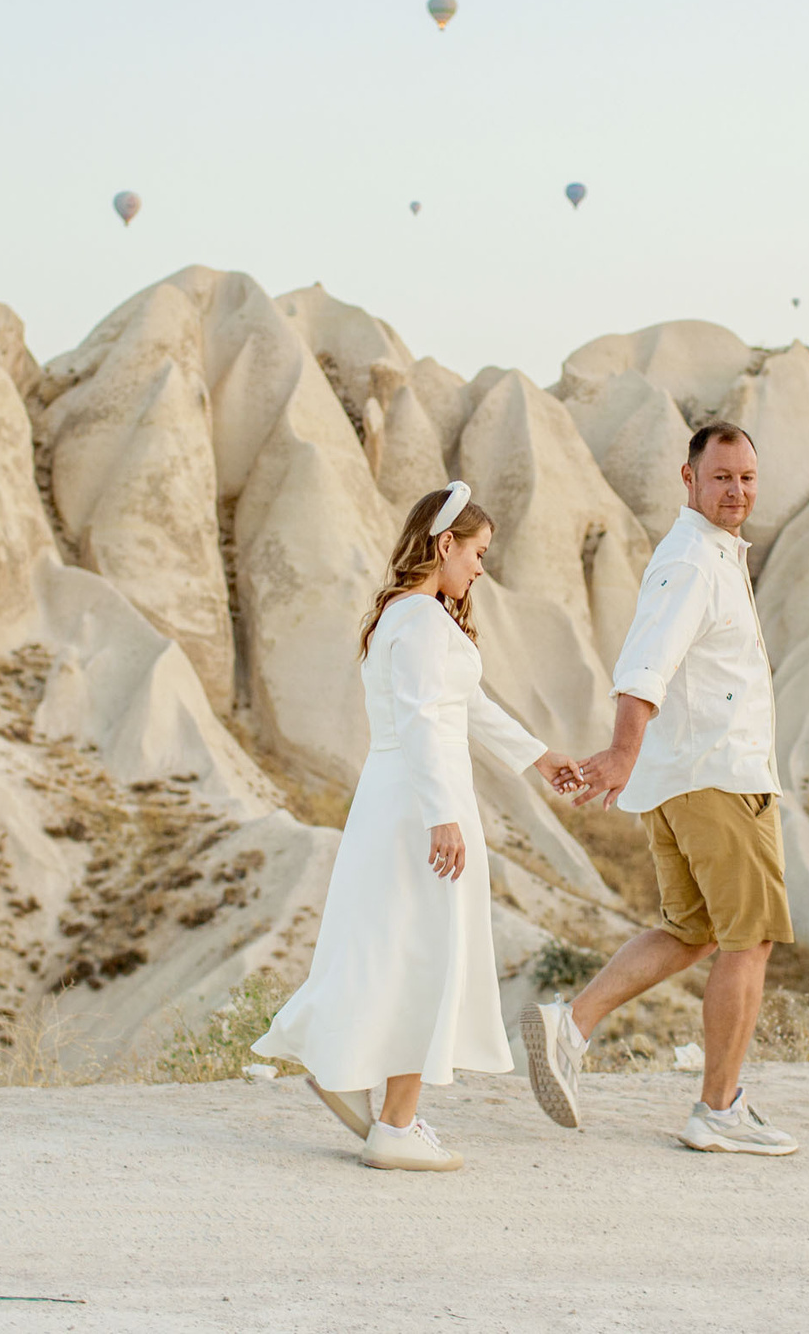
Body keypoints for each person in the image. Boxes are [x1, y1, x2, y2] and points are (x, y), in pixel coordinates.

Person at [253, 482, 582, 1171]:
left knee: (393, 944)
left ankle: (350, 1073)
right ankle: (396, 1123)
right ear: (444, 544)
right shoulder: (425, 623)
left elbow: (469, 709)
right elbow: (430, 723)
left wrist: (540, 757)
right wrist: (443, 817)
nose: (481, 568)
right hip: (420, 800)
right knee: (424, 952)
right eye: (478, 552)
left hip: (400, 793)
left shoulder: (409, 618)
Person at [519, 423, 799, 1155]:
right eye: (721, 477)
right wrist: (619, 751)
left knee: (693, 930)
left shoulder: (710, 555)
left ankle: (569, 1026)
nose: (736, 490)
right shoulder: (693, 561)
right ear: (688, 477)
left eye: (746, 477)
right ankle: (719, 1108)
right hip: (718, 778)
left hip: (687, 778)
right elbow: (646, 661)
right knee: (751, 937)